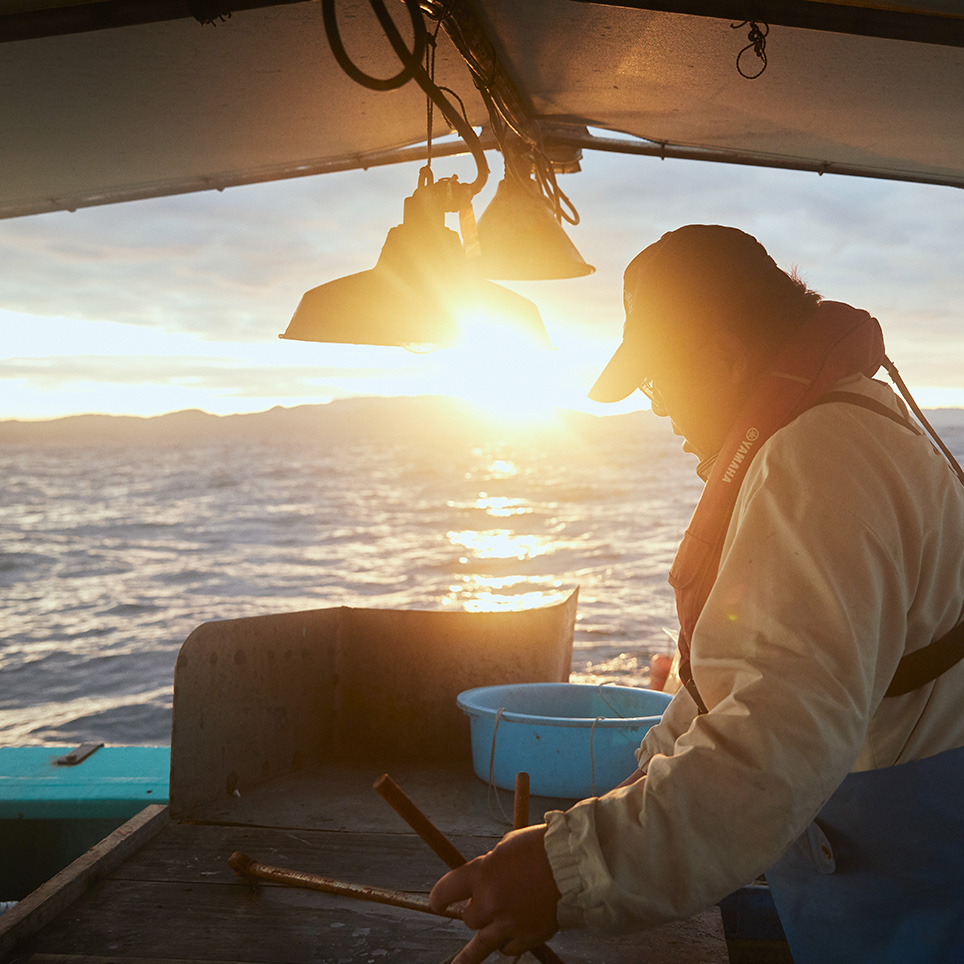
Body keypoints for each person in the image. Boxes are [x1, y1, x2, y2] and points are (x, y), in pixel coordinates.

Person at [429, 225, 964, 964]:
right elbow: (741, 683)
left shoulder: (815, 466)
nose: (655, 408)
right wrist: (628, 794)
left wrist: (564, 871)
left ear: (721, 358)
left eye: (656, 380)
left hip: (922, 898)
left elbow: (773, 738)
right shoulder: (841, 431)